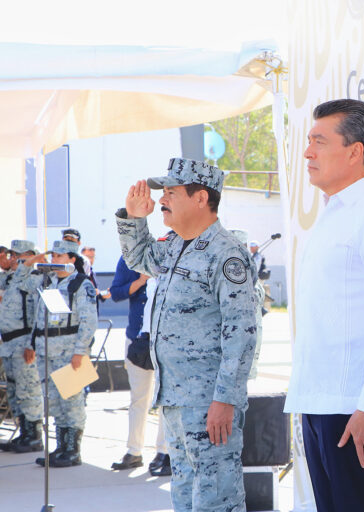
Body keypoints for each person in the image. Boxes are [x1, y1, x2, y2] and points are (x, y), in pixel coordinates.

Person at [284, 99, 364, 512]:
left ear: (355, 151)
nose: (307, 152)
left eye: (319, 142)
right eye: (308, 141)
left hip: (355, 409)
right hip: (319, 401)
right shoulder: (333, 212)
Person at [116, 158, 261, 511]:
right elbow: (139, 258)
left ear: (201, 199)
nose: (162, 199)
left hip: (209, 400)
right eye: (162, 192)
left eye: (171, 192)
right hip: (176, 397)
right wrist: (135, 218)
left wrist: (225, 399)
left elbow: (242, 332)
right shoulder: (175, 244)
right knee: (184, 490)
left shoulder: (225, 254)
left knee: (215, 496)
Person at [19, 240, 98, 468]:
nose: (55, 259)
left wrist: (80, 352)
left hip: (69, 351)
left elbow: (89, 321)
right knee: (54, 402)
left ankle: (73, 451)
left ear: (72, 259)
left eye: (60, 256)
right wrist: (33, 261)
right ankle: (61, 448)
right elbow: (22, 283)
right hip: (46, 350)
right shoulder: (47, 281)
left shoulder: (81, 285)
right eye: (53, 255)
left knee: (72, 402)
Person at [108, 256, 169, 475]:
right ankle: (134, 451)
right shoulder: (129, 260)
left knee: (165, 399)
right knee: (138, 399)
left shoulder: (170, 255)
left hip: (165, 341)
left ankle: (164, 451)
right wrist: (141, 280)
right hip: (137, 338)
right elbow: (115, 293)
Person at [0, 240, 44, 453]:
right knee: (15, 391)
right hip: (8, 343)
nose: (13, 258)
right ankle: (24, 433)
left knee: (29, 391)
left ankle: (34, 436)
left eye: (18, 254)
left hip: (23, 341)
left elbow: (38, 314)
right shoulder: (8, 279)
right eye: (11, 254)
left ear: (29, 255)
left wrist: (32, 343)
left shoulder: (34, 280)